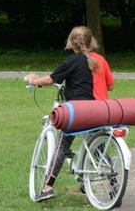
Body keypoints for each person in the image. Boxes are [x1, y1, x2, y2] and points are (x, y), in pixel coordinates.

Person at [24, 26, 97, 201]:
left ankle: (47, 187)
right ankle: (113, 180)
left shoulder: (72, 61)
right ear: (90, 42)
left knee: (62, 146)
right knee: (96, 144)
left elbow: (51, 79)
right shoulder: (91, 61)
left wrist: (34, 81)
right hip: (93, 109)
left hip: (76, 110)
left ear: (71, 43)